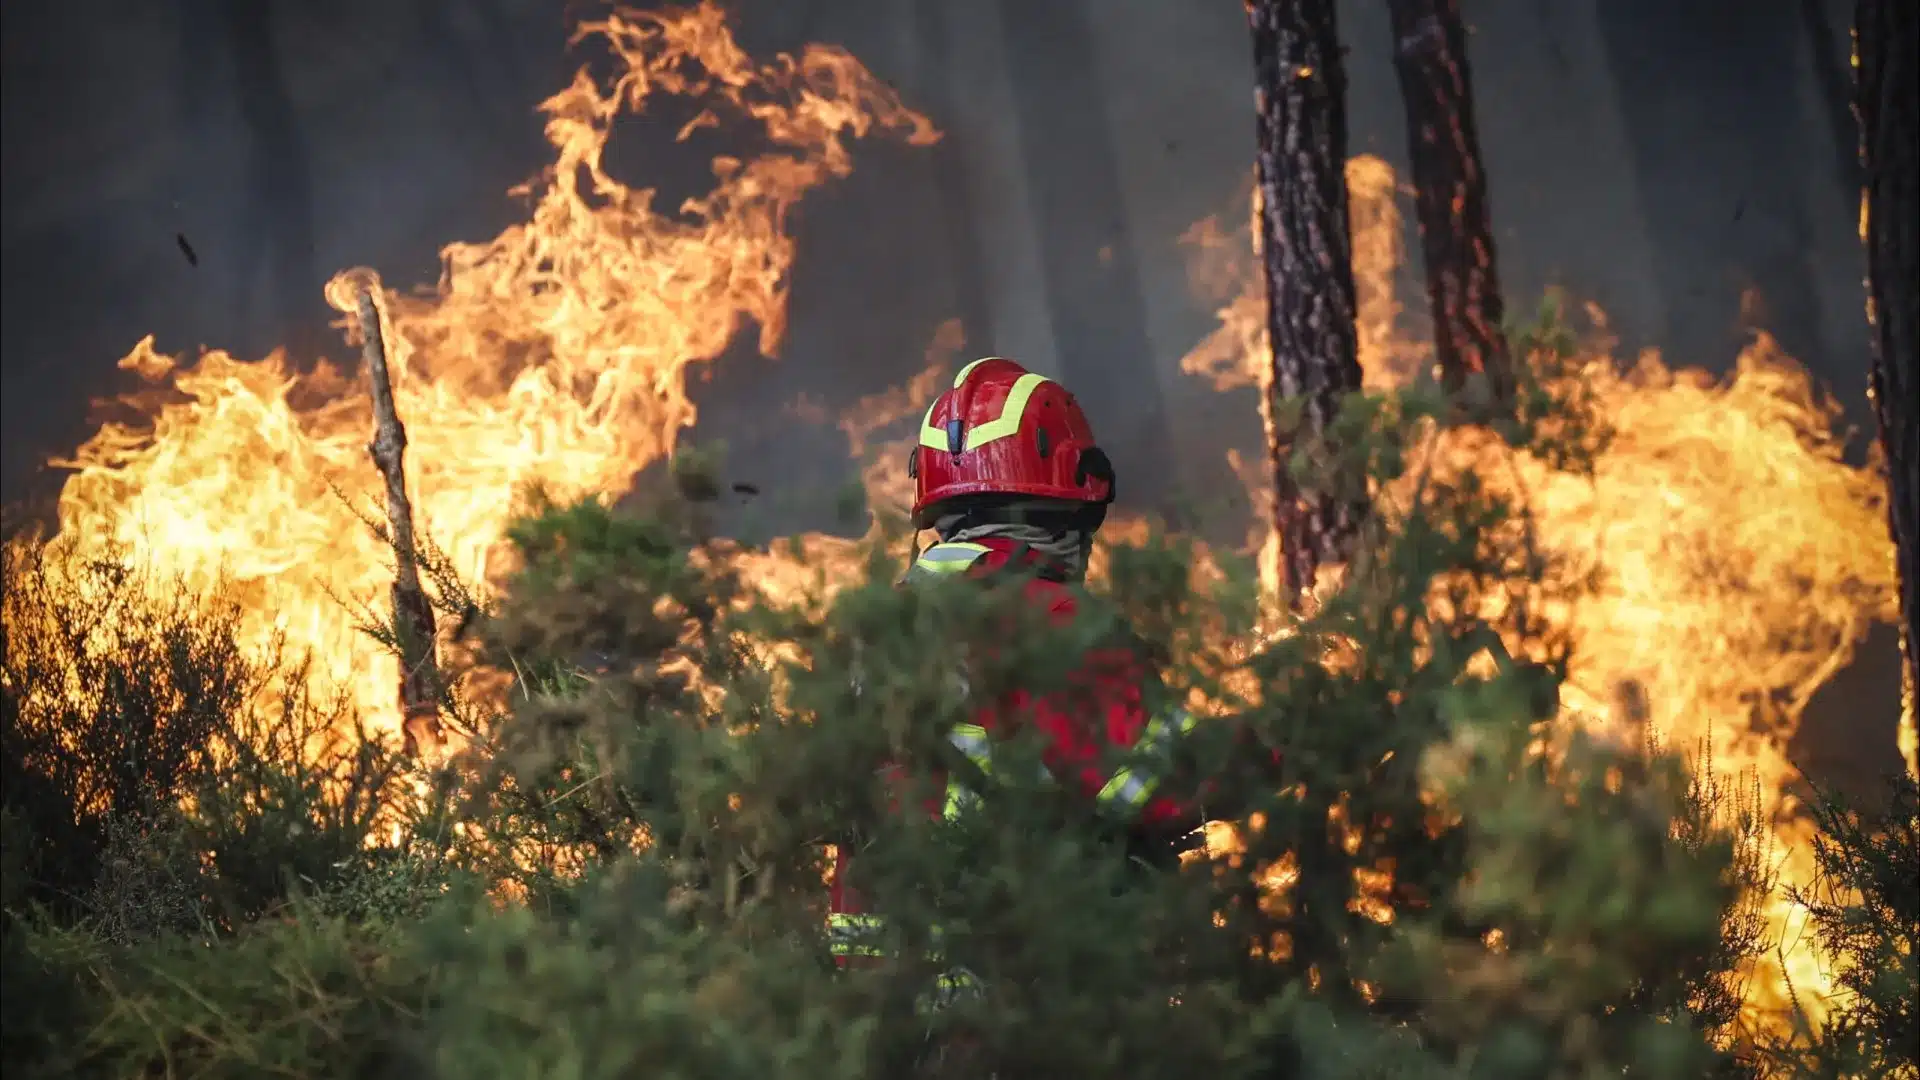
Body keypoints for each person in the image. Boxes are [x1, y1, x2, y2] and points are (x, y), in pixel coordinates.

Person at [825, 356, 1212, 997]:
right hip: (1019, 1007)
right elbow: (1161, 785)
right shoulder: (1051, 618)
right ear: (1072, 505)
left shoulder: (875, 627)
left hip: (878, 1010)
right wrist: (1307, 736)